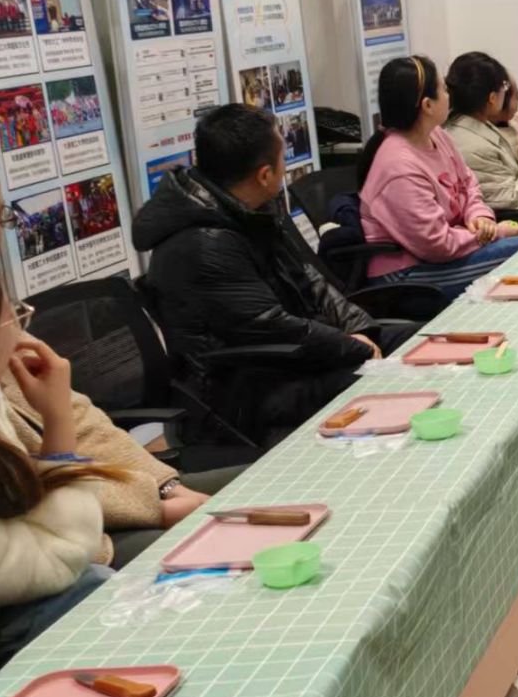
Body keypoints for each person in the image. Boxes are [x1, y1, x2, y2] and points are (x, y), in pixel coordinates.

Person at [0, 144, 226, 568]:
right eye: (2, 217)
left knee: (257, 493)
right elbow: (40, 522)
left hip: (81, 520)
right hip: (71, 541)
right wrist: (156, 505)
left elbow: (78, 423)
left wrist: (165, 488)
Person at [133, 106, 415, 446]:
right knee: (388, 380)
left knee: (415, 341)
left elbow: (309, 279)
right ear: (265, 175)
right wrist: (352, 348)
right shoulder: (204, 244)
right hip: (244, 391)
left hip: (288, 357)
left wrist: (360, 330)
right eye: (283, 157)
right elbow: (271, 324)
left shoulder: (247, 209)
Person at [0, 259, 123, 697]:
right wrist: (58, 420)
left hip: (59, 550)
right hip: (71, 549)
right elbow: (61, 551)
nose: (23, 336)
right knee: (96, 593)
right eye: (14, 319)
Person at [359, 56, 518, 297]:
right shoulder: (398, 166)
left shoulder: (437, 135)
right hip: (407, 274)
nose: (449, 95)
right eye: (444, 90)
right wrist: (493, 234)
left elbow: (468, 184)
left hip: (446, 252)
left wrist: (480, 218)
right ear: (428, 105)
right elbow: (436, 245)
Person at [444, 51, 518, 220]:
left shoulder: (478, 125)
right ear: (493, 98)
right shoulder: (473, 147)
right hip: (517, 230)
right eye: (505, 87)